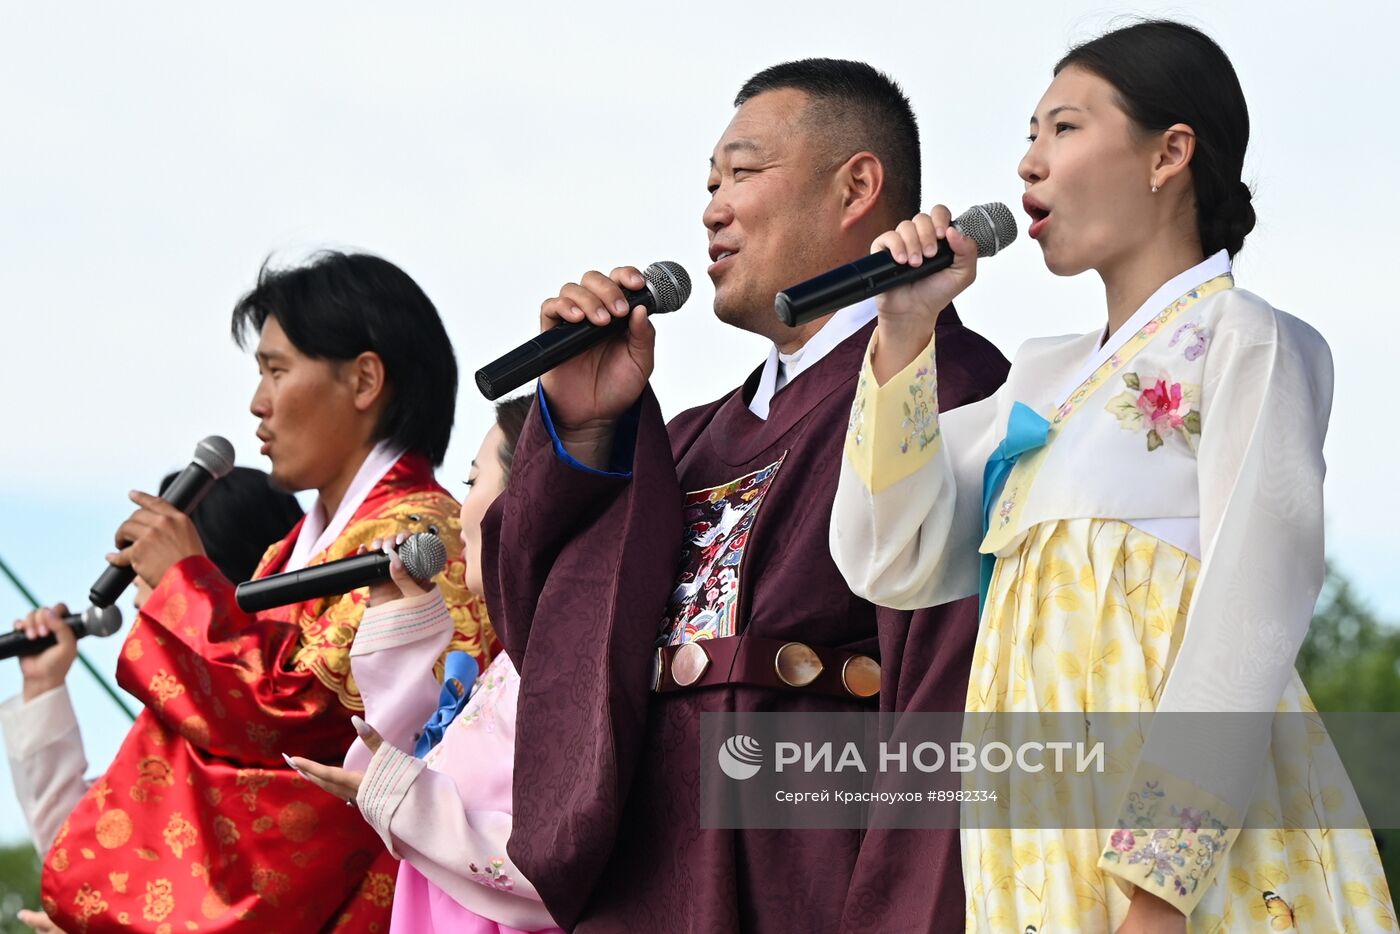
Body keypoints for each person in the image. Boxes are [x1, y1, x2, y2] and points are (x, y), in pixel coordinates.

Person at [829, 20, 1394, 932]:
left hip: (1182, 858)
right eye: (1029, 133)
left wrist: (1159, 885)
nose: (1028, 163)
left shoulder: (1245, 339)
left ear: (1170, 153)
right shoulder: (1043, 377)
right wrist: (904, 330)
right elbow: (890, 556)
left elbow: (1254, 606)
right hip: (1038, 841)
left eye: (1063, 128)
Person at [484, 60, 1010, 930]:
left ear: (857, 186)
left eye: (742, 173)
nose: (712, 208)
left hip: (813, 873)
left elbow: (950, 702)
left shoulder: (951, 388)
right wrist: (581, 433)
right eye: (709, 183)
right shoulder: (685, 439)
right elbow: (545, 635)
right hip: (656, 875)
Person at [28, 252, 492, 933]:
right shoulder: (296, 548)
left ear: (365, 379)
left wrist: (187, 585)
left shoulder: (425, 534)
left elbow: (314, 722)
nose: (257, 404)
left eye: (277, 370)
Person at [288, 394, 564, 934]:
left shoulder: (566, 670)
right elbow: (396, 770)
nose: (459, 514)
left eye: (471, 480)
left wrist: (405, 799)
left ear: (527, 496)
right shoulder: (514, 664)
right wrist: (401, 613)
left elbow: (561, 865)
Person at [3, 467, 303, 933]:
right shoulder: (188, 705)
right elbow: (88, 852)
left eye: (156, 562)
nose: (138, 591)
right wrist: (45, 687)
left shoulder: (291, 706)